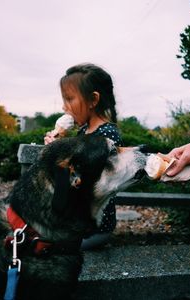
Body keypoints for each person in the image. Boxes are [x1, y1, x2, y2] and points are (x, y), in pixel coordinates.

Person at [44, 63, 123, 250]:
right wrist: (59, 146)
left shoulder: (107, 136)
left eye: (70, 99)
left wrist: (59, 153)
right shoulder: (84, 131)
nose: (64, 107)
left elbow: (83, 183)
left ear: (93, 100)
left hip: (93, 227)